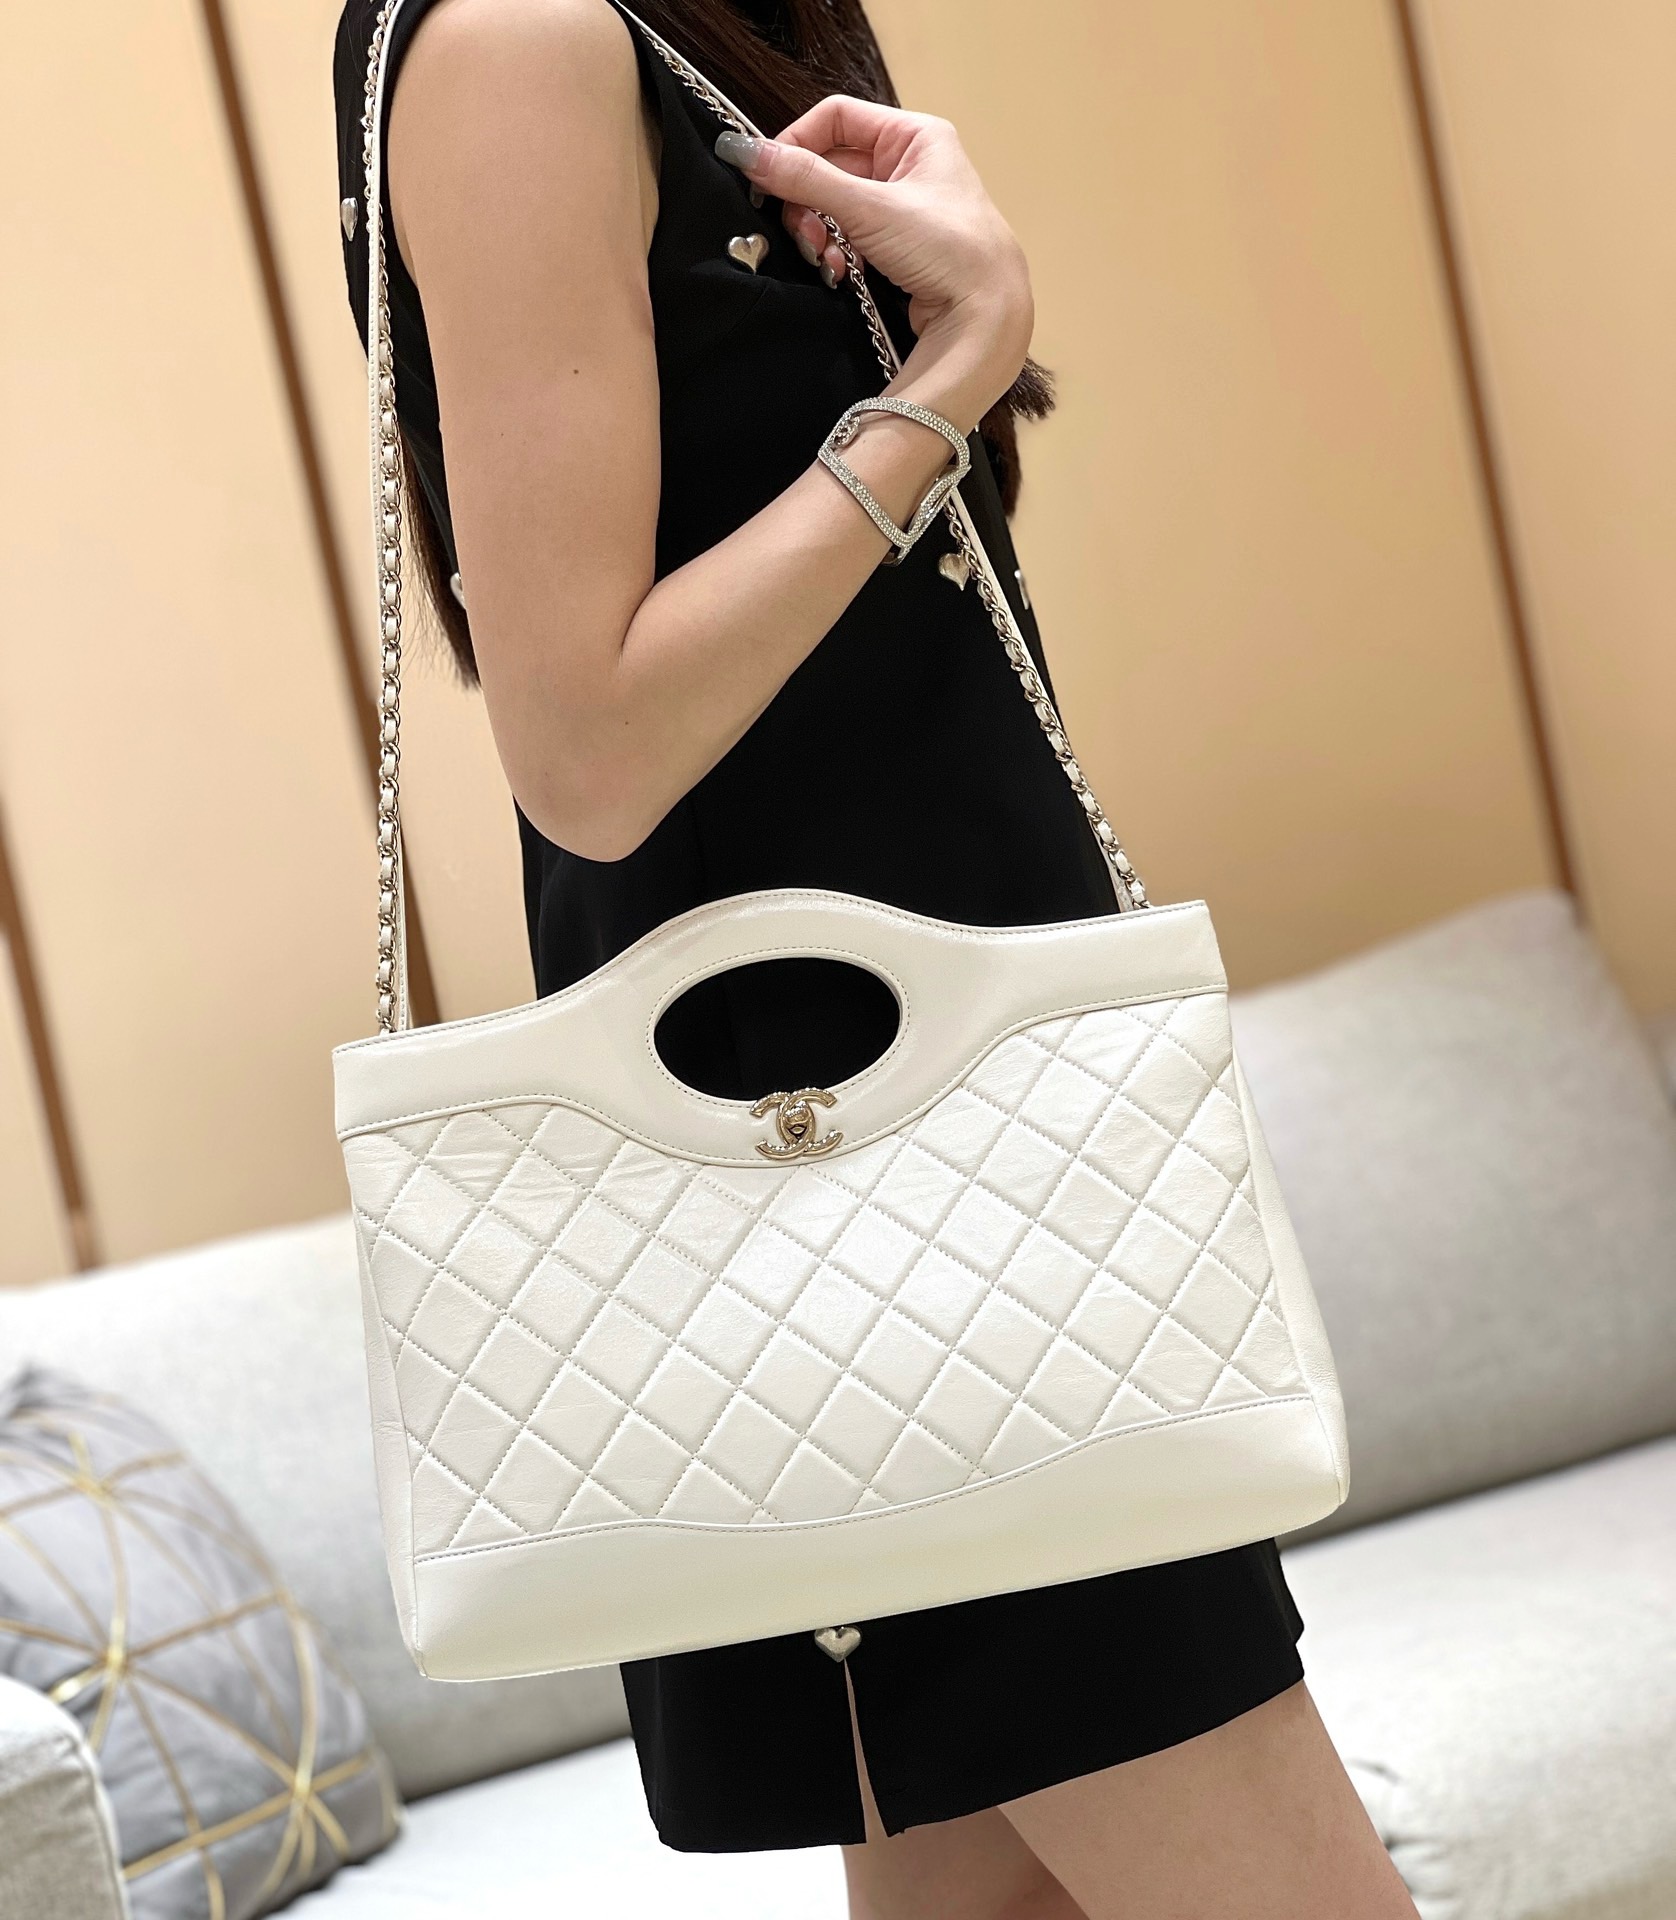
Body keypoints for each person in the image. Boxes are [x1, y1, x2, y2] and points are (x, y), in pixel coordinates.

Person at [331, 1, 1419, 1912]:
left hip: (933, 1175)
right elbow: (586, 753)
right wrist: (954, 367)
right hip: (870, 1187)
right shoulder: (517, 35)